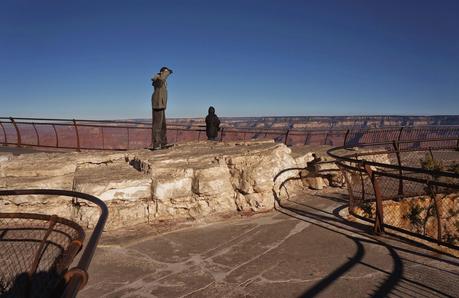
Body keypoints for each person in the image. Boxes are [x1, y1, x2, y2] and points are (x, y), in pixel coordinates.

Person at [151, 66, 173, 149]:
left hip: (161, 105)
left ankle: (163, 143)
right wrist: (167, 72)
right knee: (157, 126)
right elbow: (161, 79)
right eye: (165, 72)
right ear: (162, 73)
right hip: (157, 105)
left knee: (163, 126)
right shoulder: (158, 80)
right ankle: (156, 144)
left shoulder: (162, 80)